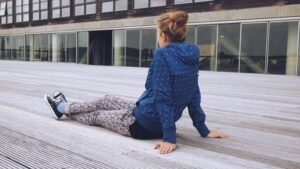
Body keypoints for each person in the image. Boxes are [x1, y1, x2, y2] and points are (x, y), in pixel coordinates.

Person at [44, 10, 229, 155]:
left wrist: (170, 138)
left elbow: (162, 96)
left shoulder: (163, 55)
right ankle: (66, 107)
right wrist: (203, 130)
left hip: (142, 125)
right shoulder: (190, 56)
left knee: (98, 115)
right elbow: (192, 95)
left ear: (163, 36)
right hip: (146, 110)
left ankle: (60, 109)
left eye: (157, 34)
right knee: (105, 100)